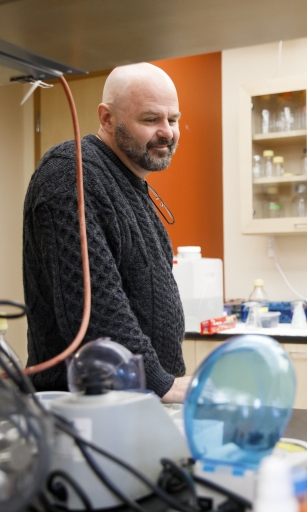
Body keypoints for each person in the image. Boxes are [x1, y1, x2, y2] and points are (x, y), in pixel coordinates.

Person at [23, 63, 191, 402]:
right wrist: (161, 383)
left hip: (135, 399)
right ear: (107, 118)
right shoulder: (69, 173)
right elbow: (94, 309)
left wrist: (163, 383)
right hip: (82, 408)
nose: (168, 132)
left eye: (172, 119)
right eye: (150, 119)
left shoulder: (128, 181)